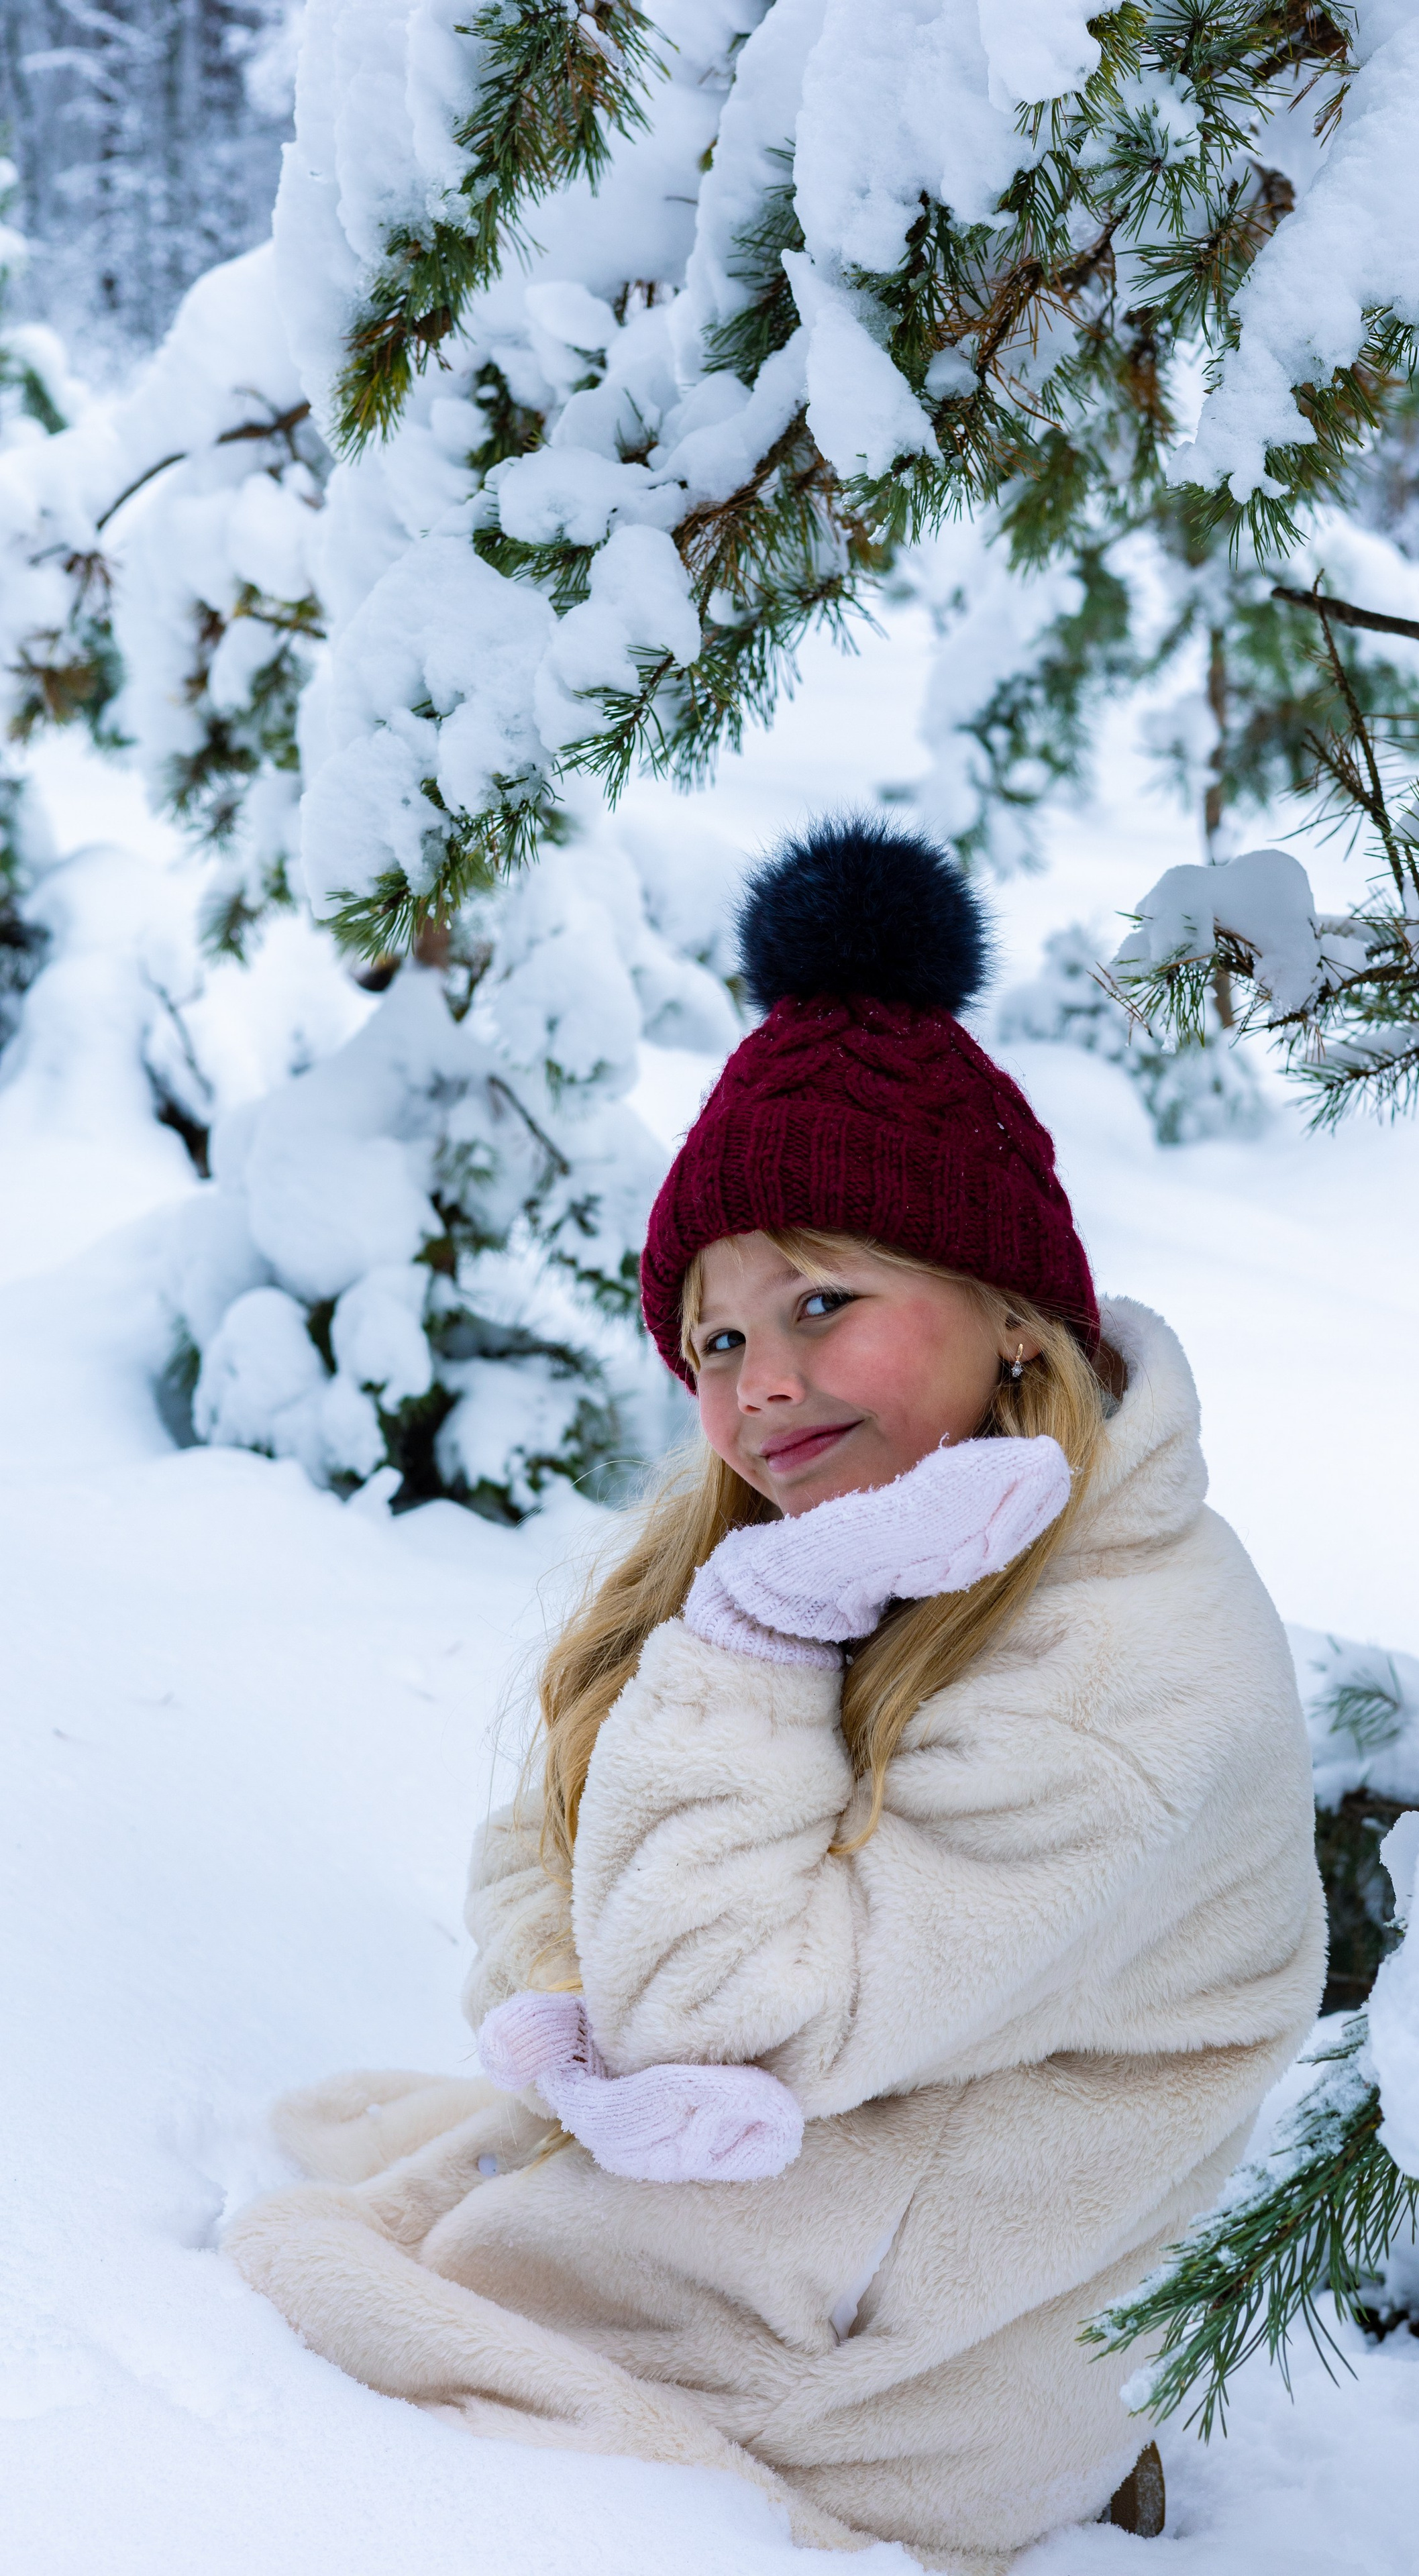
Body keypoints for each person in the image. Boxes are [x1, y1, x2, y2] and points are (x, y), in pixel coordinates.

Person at [227, 821, 1324, 2573]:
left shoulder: (1117, 1679)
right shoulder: (830, 1537)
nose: (762, 1388)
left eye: (824, 1300)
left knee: (300, 2352)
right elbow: (550, 1834)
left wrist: (751, 1650)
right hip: (781, 2259)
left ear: (1010, 1312)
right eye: (719, 1339)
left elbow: (717, 2023)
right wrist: (560, 1994)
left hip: (890, 2394)